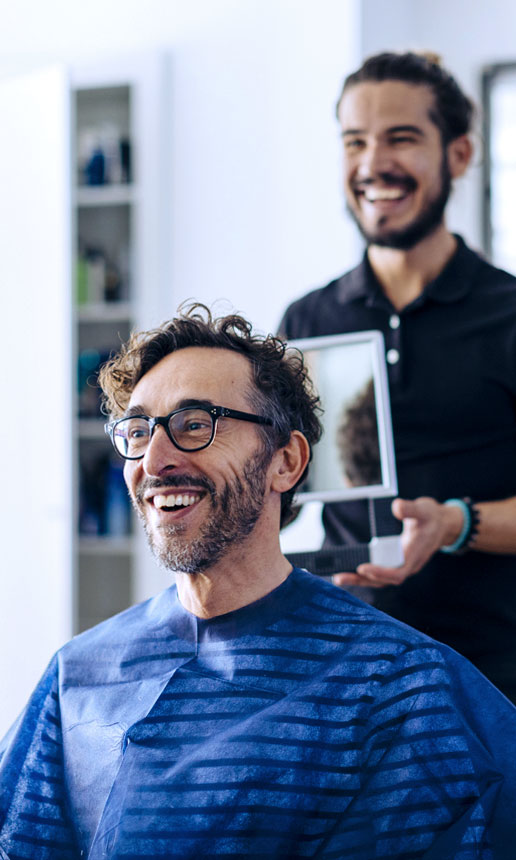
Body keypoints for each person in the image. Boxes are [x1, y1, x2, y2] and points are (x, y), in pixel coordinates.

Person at [1, 304, 516, 859]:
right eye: (137, 430)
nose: (154, 458)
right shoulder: (77, 677)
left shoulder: (400, 684)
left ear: (286, 461)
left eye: (195, 424)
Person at [279, 51, 516, 704]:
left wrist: (454, 523)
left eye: (402, 138)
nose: (373, 163)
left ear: (460, 155)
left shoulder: (509, 315)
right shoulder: (307, 318)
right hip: (346, 670)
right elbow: (282, 485)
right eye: (355, 141)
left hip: (492, 681)